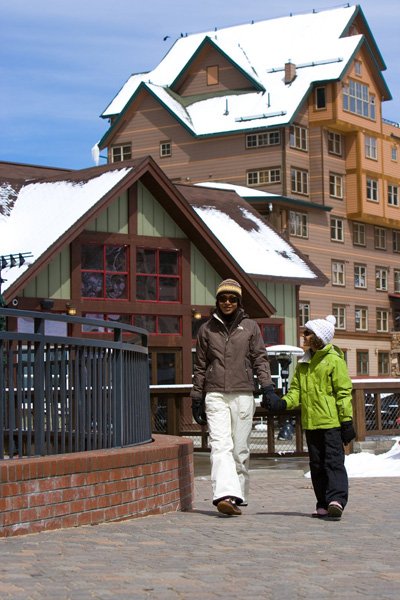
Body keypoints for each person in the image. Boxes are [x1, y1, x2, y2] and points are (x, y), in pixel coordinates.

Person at [191, 278, 280, 516]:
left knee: (240, 450)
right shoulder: (206, 329)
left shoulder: (250, 327)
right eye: (223, 298)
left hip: (243, 394)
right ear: (217, 301)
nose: (227, 302)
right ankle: (224, 495)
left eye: (232, 298)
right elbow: (200, 366)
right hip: (216, 394)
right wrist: (196, 397)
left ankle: (238, 494)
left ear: (238, 301)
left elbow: (260, 359)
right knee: (221, 446)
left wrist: (268, 388)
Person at [263, 314, 355, 520]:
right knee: (317, 465)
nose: (303, 336)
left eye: (307, 333)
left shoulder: (334, 361)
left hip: (331, 423)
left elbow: (343, 392)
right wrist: (282, 402)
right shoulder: (303, 364)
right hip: (311, 424)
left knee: (333, 462)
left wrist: (346, 420)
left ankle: (336, 500)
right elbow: (296, 391)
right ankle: (322, 503)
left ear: (318, 337)